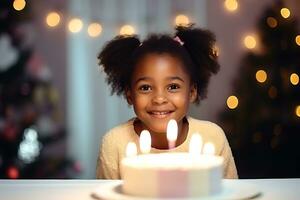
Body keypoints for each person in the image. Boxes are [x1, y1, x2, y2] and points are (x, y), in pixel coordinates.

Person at [96, 24, 238, 179]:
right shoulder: (115, 143)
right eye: (145, 88)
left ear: (191, 92)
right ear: (129, 94)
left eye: (173, 86)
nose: (159, 99)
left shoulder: (212, 137)